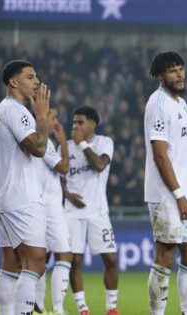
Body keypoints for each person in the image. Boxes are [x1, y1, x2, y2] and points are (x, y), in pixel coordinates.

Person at [144, 51, 187, 315]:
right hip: (166, 195)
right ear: (160, 76)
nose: (179, 74)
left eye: (181, 68)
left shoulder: (181, 104)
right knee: (165, 255)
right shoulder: (159, 104)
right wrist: (178, 195)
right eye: (172, 70)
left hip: (184, 192)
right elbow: (160, 155)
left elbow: (182, 155)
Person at [0, 59, 53, 315]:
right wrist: (41, 118)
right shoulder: (15, 110)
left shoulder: (1, 110)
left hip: (6, 196)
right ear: (13, 82)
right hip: (21, 198)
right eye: (30, 77)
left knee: (12, 264)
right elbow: (39, 148)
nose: (37, 81)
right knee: (36, 263)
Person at [61, 106, 119, 315]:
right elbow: (56, 178)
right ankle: (82, 308)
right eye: (74, 123)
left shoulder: (104, 143)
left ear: (93, 125)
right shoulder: (65, 147)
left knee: (110, 259)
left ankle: (111, 307)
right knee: (74, 261)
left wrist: (83, 144)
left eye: (81, 122)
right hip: (72, 213)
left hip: (98, 212)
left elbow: (100, 166)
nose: (75, 126)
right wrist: (67, 195)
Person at [33, 108, 73, 315]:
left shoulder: (33, 140)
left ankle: (37, 302)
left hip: (40, 204)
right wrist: (64, 141)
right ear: (42, 119)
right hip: (49, 207)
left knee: (40, 257)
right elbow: (64, 167)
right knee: (64, 255)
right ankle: (57, 309)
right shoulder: (46, 142)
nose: (56, 123)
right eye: (53, 118)